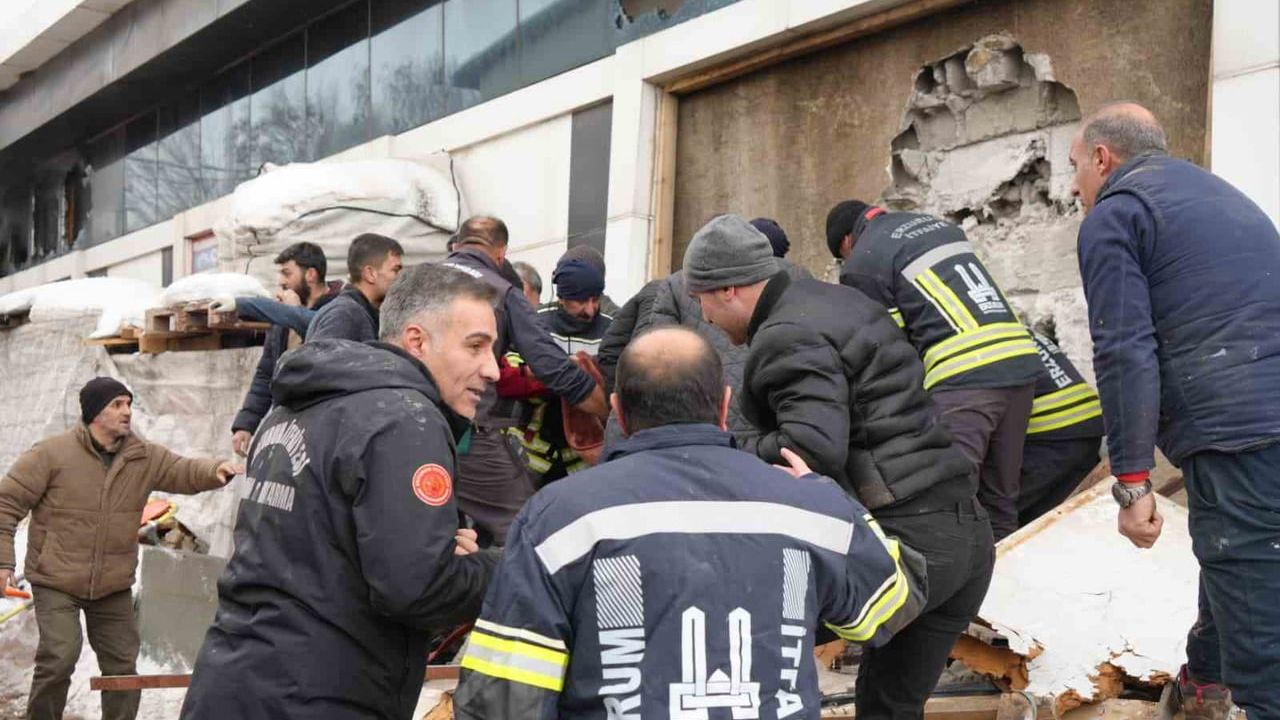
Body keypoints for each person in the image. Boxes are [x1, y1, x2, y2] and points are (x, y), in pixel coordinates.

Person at [453, 326, 921, 719]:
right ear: (723, 405)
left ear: (618, 411)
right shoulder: (808, 510)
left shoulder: (559, 516)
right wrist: (832, 498)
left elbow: (505, 697)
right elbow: (894, 602)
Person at [685, 214, 992, 720]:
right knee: (889, 708)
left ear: (730, 290)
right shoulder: (838, 300)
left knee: (735, 639)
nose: (704, 318)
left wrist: (729, 448)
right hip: (964, 537)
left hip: (905, 545)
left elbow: (809, 450)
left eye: (702, 301)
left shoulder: (784, 334)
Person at [180, 264, 501, 720]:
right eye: (476, 346)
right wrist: (501, 568)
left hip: (229, 684)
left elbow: (317, 548)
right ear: (417, 341)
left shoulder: (290, 408)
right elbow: (414, 588)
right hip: (320, 697)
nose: (493, 370)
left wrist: (429, 547)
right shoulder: (406, 418)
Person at [1071, 102, 1280, 719]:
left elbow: (1124, 348)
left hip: (1236, 429)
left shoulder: (1117, 214)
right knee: (1243, 563)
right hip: (1265, 412)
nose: (1075, 183)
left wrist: (1131, 479)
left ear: (1104, 159)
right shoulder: (1220, 196)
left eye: (1076, 166)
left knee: (1255, 603)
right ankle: (1204, 683)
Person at [0, 378, 239, 720]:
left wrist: (215, 470)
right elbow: (6, 502)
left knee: (123, 668)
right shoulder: (52, 454)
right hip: (57, 579)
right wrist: (3, 560)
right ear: (95, 412)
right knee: (60, 657)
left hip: (112, 585)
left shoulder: (142, 457)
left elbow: (182, 470)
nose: (127, 411)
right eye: (117, 405)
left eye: (129, 403)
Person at [827, 200, 1041, 541]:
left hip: (966, 376)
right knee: (1000, 498)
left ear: (846, 244)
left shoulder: (862, 261)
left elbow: (887, 350)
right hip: (1020, 363)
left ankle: (964, 587)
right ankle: (1002, 579)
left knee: (951, 497)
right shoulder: (932, 226)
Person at [442, 216, 608, 545]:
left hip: (409, 425)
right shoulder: (502, 292)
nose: (588, 309)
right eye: (578, 300)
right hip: (472, 435)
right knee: (523, 527)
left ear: (459, 244)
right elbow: (549, 368)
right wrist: (606, 408)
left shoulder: (417, 279)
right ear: (500, 253)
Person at [648, 217, 813, 446]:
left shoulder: (673, 286)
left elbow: (654, 363)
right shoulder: (799, 277)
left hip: (710, 435)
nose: (705, 317)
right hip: (782, 438)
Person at [229, 242, 342, 456]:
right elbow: (266, 372)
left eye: (287, 273)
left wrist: (294, 312)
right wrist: (246, 424)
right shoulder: (281, 316)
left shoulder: (339, 310)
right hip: (288, 425)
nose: (281, 281)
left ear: (310, 274)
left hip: (326, 429)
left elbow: (327, 363)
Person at [508, 254, 613, 484]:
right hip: (532, 452)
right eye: (581, 301)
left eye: (595, 299)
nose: (590, 309)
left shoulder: (611, 329)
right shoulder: (535, 325)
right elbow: (512, 370)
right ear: (562, 297)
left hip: (585, 456)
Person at [1016, 330, 1104, 526]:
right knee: (1062, 515)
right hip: (1086, 426)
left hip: (1053, 436)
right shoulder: (1017, 331)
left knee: (998, 509)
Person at [306, 233, 403, 342]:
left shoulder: (357, 313)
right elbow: (318, 357)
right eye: (395, 270)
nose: (401, 277)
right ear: (370, 274)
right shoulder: (344, 315)